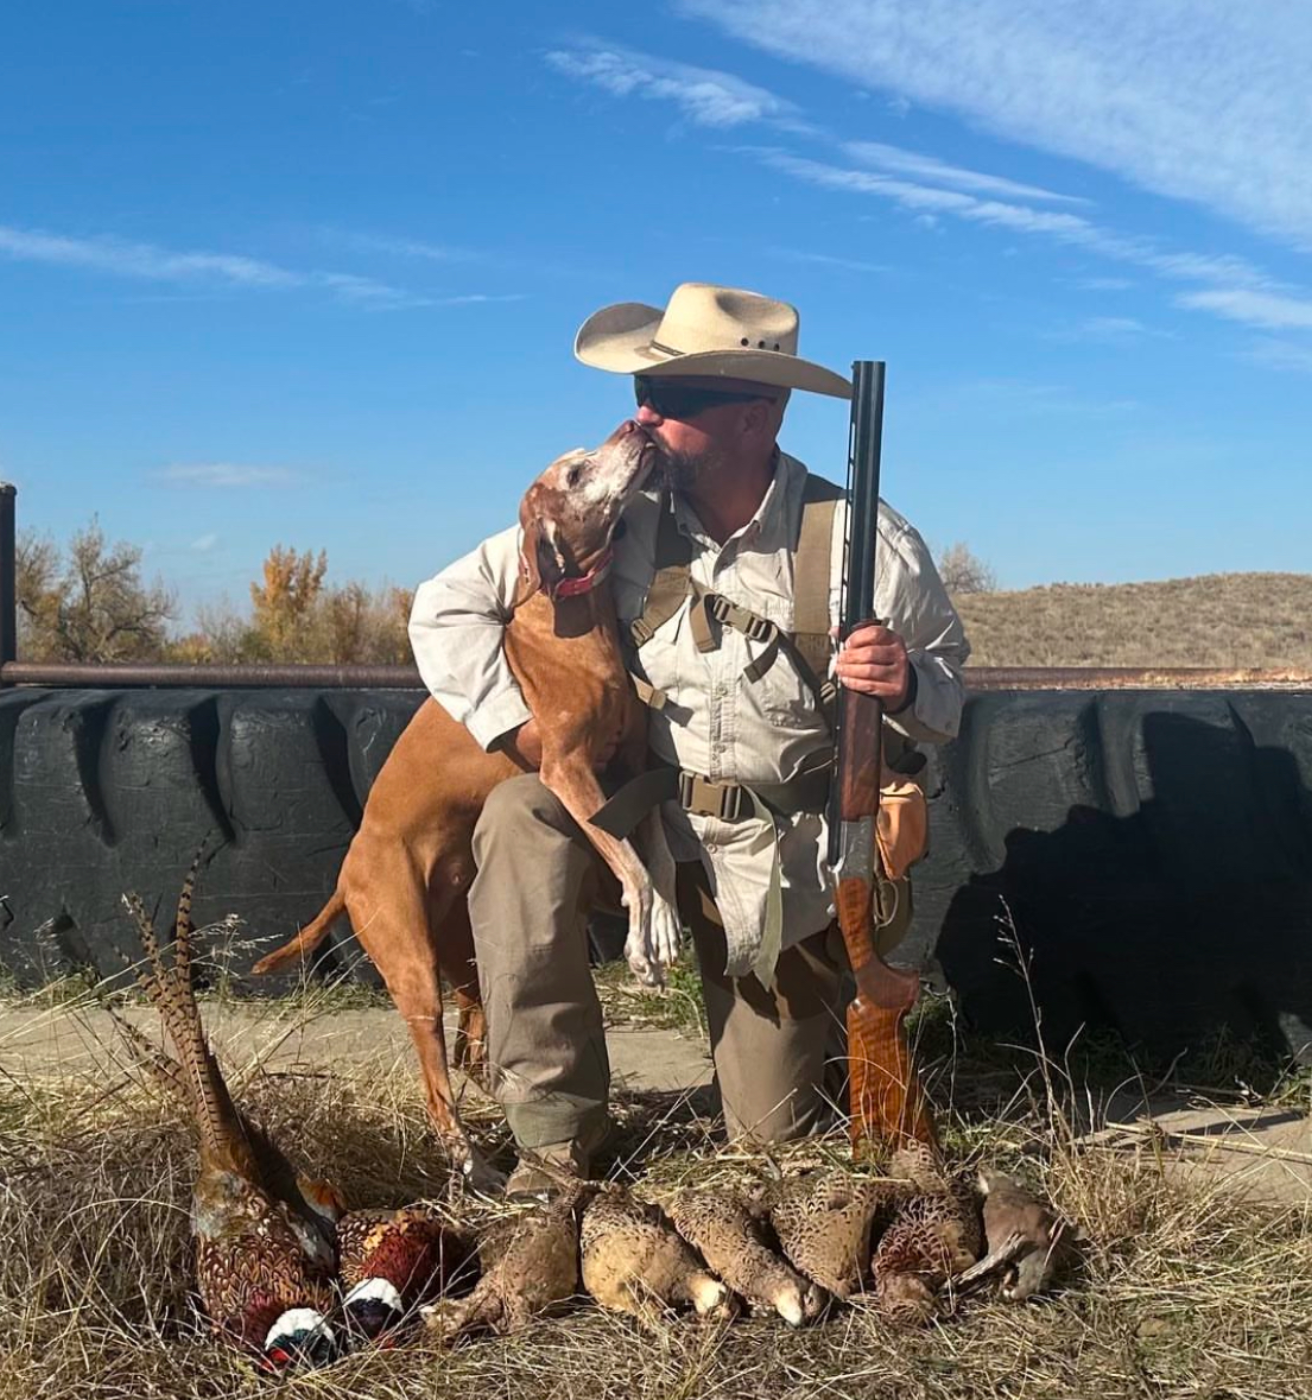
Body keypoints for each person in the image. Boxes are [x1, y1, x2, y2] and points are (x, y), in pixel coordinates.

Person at [409, 282, 970, 1196]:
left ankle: (812, 1027)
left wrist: (904, 681)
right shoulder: (616, 518)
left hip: (782, 868)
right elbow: (444, 608)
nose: (641, 417)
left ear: (756, 417)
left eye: (670, 401)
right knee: (521, 815)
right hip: (653, 835)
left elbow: (947, 690)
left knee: (776, 1145)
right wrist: (523, 734)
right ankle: (553, 1142)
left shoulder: (868, 541)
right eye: (641, 393)